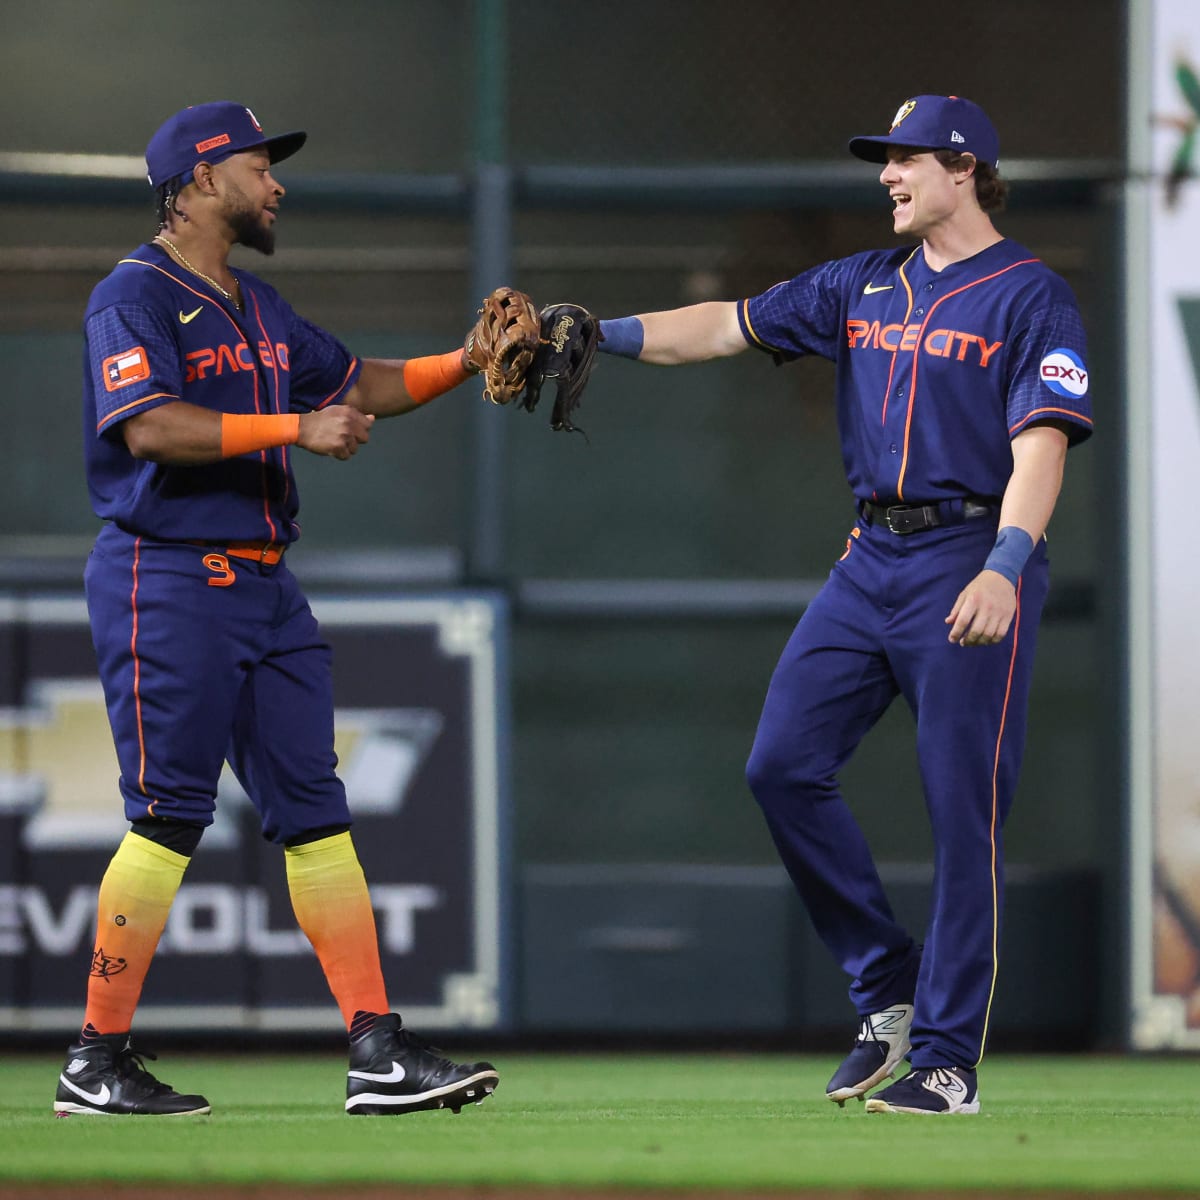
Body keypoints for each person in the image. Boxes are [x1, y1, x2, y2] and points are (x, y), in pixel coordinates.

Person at [590, 95, 1093, 1115]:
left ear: (962, 167)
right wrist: (596, 334)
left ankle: (946, 1062)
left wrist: (1005, 561)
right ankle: (886, 986)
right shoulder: (862, 282)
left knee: (965, 816)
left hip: (971, 552)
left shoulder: (1031, 295)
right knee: (780, 765)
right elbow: (722, 328)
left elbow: (1041, 443)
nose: (885, 176)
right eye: (884, 161)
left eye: (904, 159)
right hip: (871, 556)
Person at [55, 102, 502, 1117]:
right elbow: (151, 428)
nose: (277, 186)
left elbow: (365, 384)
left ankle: (377, 1048)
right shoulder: (132, 295)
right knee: (169, 814)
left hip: (264, 583)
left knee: (317, 813)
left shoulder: (258, 306)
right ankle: (96, 1056)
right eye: (262, 168)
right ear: (204, 180)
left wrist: (467, 361)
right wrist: (296, 427)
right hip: (163, 574)